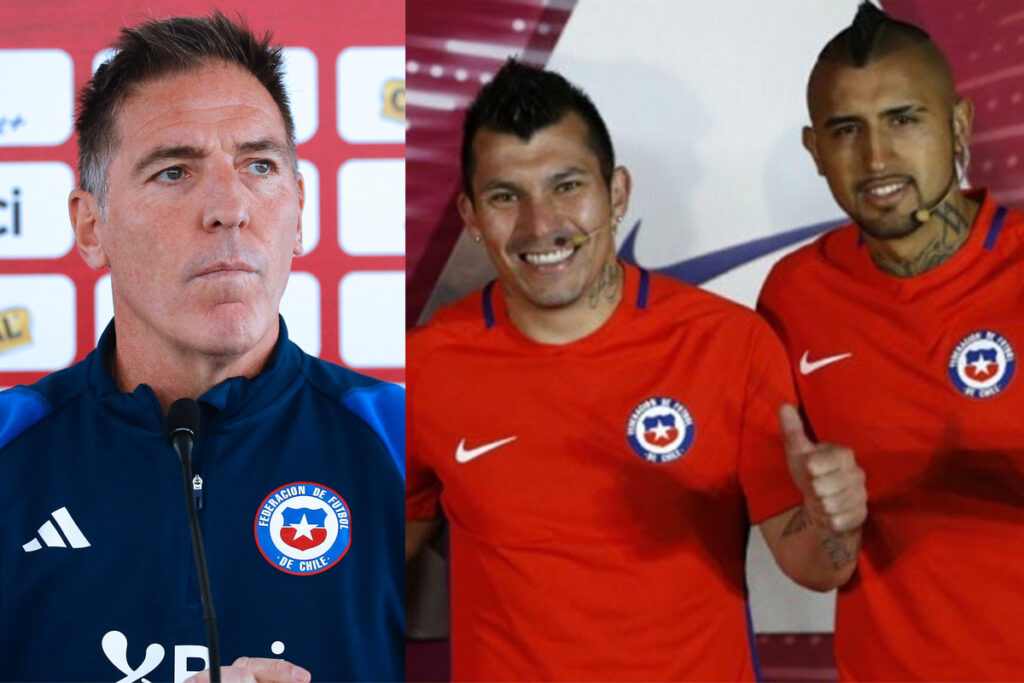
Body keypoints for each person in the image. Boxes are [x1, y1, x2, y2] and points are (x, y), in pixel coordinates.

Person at [406, 59, 866, 681]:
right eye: (506, 196)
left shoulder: (728, 345)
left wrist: (834, 519)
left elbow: (818, 565)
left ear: (616, 193)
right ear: (471, 216)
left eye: (567, 186)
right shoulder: (425, 368)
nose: (541, 225)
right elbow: (370, 566)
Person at [0, 13, 403, 682]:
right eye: (173, 172)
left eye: (260, 165)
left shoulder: (401, 439)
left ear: (299, 209)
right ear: (90, 226)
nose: (229, 205)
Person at [758, 3, 1024, 679]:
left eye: (904, 120)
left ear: (958, 125)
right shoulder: (793, 296)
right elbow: (817, 566)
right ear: (815, 150)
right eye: (846, 130)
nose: (876, 157)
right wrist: (832, 526)